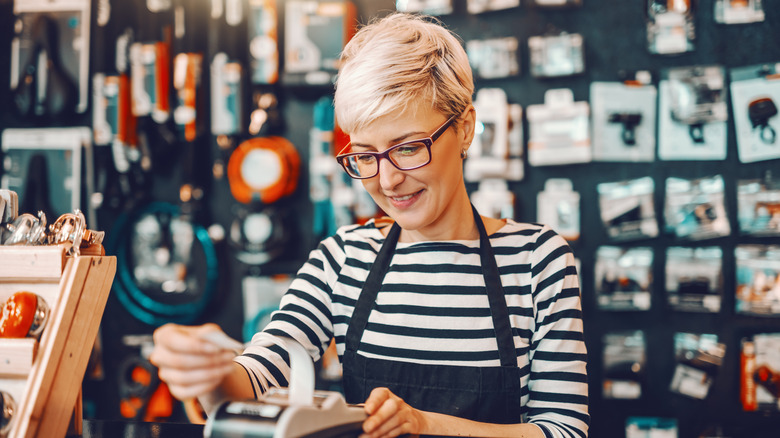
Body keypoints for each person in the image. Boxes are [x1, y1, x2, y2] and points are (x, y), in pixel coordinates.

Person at [150, 12, 589, 438]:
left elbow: (563, 430)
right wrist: (206, 373)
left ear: (467, 128)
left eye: (408, 148)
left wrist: (424, 424)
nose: (387, 179)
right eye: (364, 155)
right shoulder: (344, 259)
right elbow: (258, 378)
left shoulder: (537, 261)